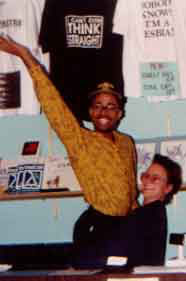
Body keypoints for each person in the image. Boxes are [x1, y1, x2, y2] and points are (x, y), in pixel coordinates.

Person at [0, 34, 138, 262]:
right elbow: (53, 103)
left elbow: (131, 192)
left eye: (111, 106)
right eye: (98, 106)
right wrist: (24, 54)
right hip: (98, 226)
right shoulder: (79, 140)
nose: (104, 111)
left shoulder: (127, 142)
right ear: (90, 112)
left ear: (120, 113)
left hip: (126, 226)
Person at [72, 153, 182, 268]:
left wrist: (96, 206)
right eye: (145, 176)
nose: (147, 181)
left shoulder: (150, 214)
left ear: (168, 188)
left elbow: (94, 241)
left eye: (155, 179)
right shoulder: (144, 213)